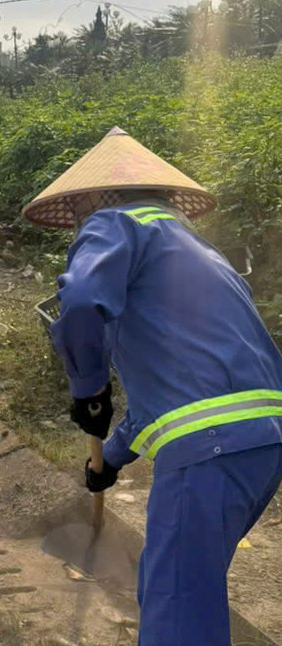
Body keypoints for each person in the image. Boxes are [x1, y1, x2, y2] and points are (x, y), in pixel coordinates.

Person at [23, 127, 282, 645]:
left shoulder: (114, 224)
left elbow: (77, 306)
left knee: (178, 614)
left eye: (80, 208)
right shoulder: (197, 252)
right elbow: (171, 398)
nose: (77, 221)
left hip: (207, 451)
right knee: (187, 589)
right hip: (260, 444)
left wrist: (89, 391)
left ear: (99, 195)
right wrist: (110, 461)